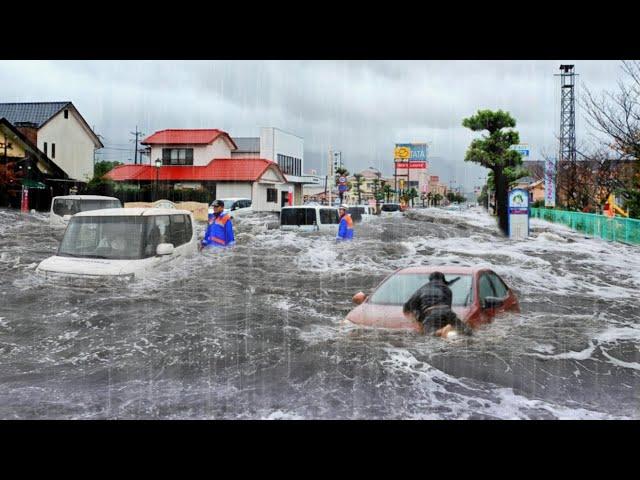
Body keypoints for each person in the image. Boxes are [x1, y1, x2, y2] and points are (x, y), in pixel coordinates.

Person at [403, 271, 472, 337]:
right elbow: (448, 307)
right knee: (467, 331)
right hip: (448, 312)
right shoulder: (447, 289)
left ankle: (441, 331)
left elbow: (407, 307)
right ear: (442, 279)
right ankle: (451, 328)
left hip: (431, 313)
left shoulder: (421, 290)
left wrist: (416, 321)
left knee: (430, 335)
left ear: (430, 280)